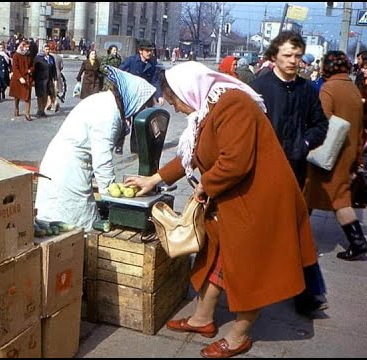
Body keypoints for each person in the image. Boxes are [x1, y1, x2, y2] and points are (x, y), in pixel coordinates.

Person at [124, 61, 318, 358]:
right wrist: (155, 178)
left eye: (174, 100)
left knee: (249, 268)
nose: (175, 108)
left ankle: (239, 336)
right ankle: (202, 318)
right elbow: (194, 156)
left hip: (261, 200)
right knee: (218, 257)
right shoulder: (210, 106)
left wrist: (205, 186)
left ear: (187, 91)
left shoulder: (232, 104)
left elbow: (234, 162)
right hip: (238, 196)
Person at [250, 31, 329, 316]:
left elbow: (320, 124)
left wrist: (305, 143)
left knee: (298, 234)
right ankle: (255, 287)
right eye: (287, 55)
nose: (294, 61)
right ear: (274, 57)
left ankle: (307, 295)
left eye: (297, 55)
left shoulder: (307, 90)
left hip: (296, 173)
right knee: (261, 233)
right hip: (263, 174)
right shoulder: (259, 87)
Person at [34, 67, 156, 231]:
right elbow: (102, 160)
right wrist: (112, 192)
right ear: (134, 100)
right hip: (67, 171)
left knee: (70, 223)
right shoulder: (108, 115)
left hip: (69, 165)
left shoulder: (107, 102)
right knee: (71, 226)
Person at [304, 51, 367, 261]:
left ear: (327, 68)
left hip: (328, 155)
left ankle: (296, 238)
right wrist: (357, 159)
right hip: (347, 154)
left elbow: (322, 122)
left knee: (309, 195)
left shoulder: (329, 89)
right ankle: (358, 242)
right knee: (340, 198)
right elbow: (359, 130)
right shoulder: (353, 89)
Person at [116, 39, 164, 155]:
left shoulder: (152, 64)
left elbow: (155, 80)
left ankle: (135, 147)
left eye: (150, 51)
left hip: (142, 97)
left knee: (138, 122)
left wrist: (159, 96)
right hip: (129, 96)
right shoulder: (131, 61)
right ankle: (119, 144)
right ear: (140, 51)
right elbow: (119, 73)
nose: (149, 53)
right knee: (124, 121)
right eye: (147, 51)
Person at [9, 40, 34, 121]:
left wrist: (30, 70)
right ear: (22, 46)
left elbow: (32, 65)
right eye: (26, 47)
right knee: (17, 95)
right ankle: (16, 108)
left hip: (27, 78)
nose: (27, 49)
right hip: (18, 78)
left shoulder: (29, 55)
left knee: (27, 96)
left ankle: (27, 113)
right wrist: (20, 77)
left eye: (28, 47)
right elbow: (15, 68)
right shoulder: (16, 55)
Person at [33, 43, 57, 117]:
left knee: (46, 95)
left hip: (48, 80)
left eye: (48, 49)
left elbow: (54, 69)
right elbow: (35, 69)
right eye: (46, 49)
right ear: (43, 50)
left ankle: (43, 110)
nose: (47, 51)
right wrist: (33, 80)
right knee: (40, 96)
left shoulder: (51, 58)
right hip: (40, 80)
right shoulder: (38, 58)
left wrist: (55, 79)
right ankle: (39, 110)